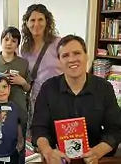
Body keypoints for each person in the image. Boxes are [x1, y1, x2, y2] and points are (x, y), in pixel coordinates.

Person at [31, 34, 121, 164]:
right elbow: (39, 128)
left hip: (96, 160)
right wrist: (48, 152)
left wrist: (98, 152)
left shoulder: (104, 88)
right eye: (65, 55)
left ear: (86, 56)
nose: (72, 59)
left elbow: (115, 129)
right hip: (58, 160)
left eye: (77, 53)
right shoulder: (48, 88)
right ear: (59, 61)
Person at [0, 26, 31, 164]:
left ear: (17, 44)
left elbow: (28, 87)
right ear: (1, 41)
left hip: (19, 110)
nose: (9, 43)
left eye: (13, 41)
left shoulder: (23, 63)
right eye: (6, 39)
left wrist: (22, 81)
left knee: (19, 145)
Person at [21, 4, 62, 121]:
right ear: (27, 23)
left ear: (47, 22)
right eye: (32, 20)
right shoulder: (25, 49)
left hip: (58, 98)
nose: (36, 24)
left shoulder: (58, 43)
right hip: (36, 99)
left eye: (40, 20)